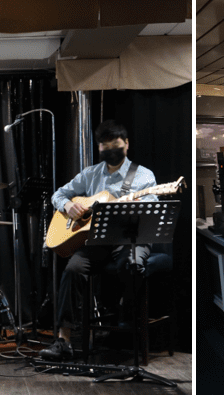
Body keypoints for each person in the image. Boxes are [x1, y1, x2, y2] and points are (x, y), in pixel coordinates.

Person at [39, 120, 156, 362]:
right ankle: (64, 340)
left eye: (117, 145)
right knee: (72, 269)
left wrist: (135, 208)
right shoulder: (90, 174)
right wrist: (68, 205)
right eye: (106, 147)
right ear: (99, 148)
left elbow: (152, 212)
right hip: (96, 242)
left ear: (126, 145)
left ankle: (122, 328)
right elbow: (57, 194)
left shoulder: (143, 176)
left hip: (130, 240)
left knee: (132, 264)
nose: (111, 151)